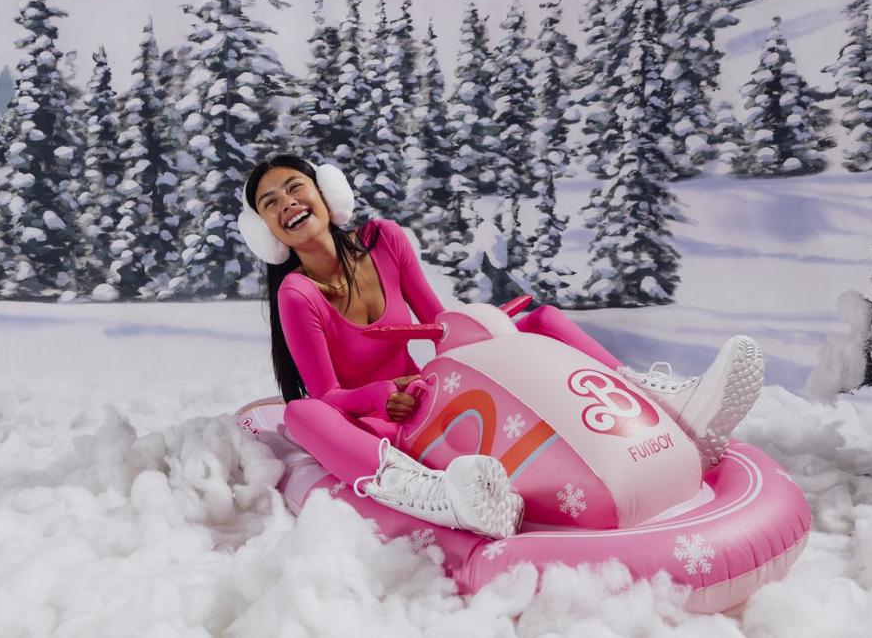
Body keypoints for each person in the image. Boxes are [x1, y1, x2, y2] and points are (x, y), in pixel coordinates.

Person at [239, 153, 764, 539]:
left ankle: (662, 402)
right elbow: (330, 394)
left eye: (294, 187)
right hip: (374, 421)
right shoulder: (296, 294)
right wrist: (377, 396)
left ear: (326, 192)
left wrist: (483, 328)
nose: (287, 202)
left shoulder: (386, 240)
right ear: (266, 231)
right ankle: (429, 492)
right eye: (270, 202)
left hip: (425, 394)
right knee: (304, 413)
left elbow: (435, 321)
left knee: (544, 316)